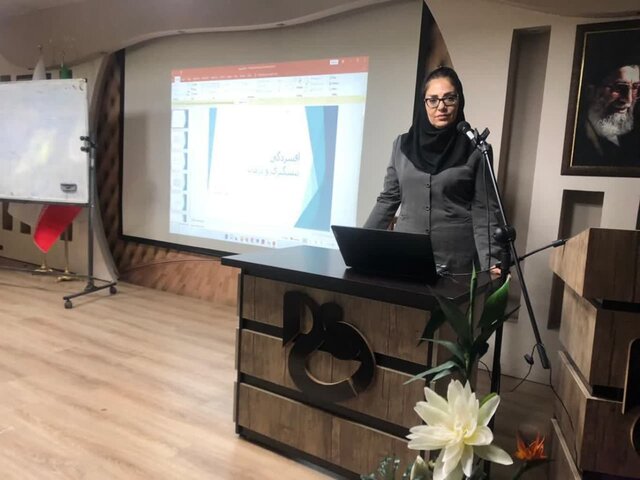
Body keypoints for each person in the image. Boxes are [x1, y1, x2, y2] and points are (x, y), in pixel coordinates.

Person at [364, 66, 503, 275]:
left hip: (456, 262)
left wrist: (491, 261)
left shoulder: (476, 148)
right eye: (433, 100)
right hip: (406, 255)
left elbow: (484, 210)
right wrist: (362, 243)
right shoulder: (402, 145)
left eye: (449, 98)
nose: (441, 107)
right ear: (424, 103)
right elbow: (388, 199)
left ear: (460, 101)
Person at [573, 43, 640, 167]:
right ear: (591, 91)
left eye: (636, 88)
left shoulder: (633, 140)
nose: (628, 100)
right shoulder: (577, 140)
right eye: (619, 88)